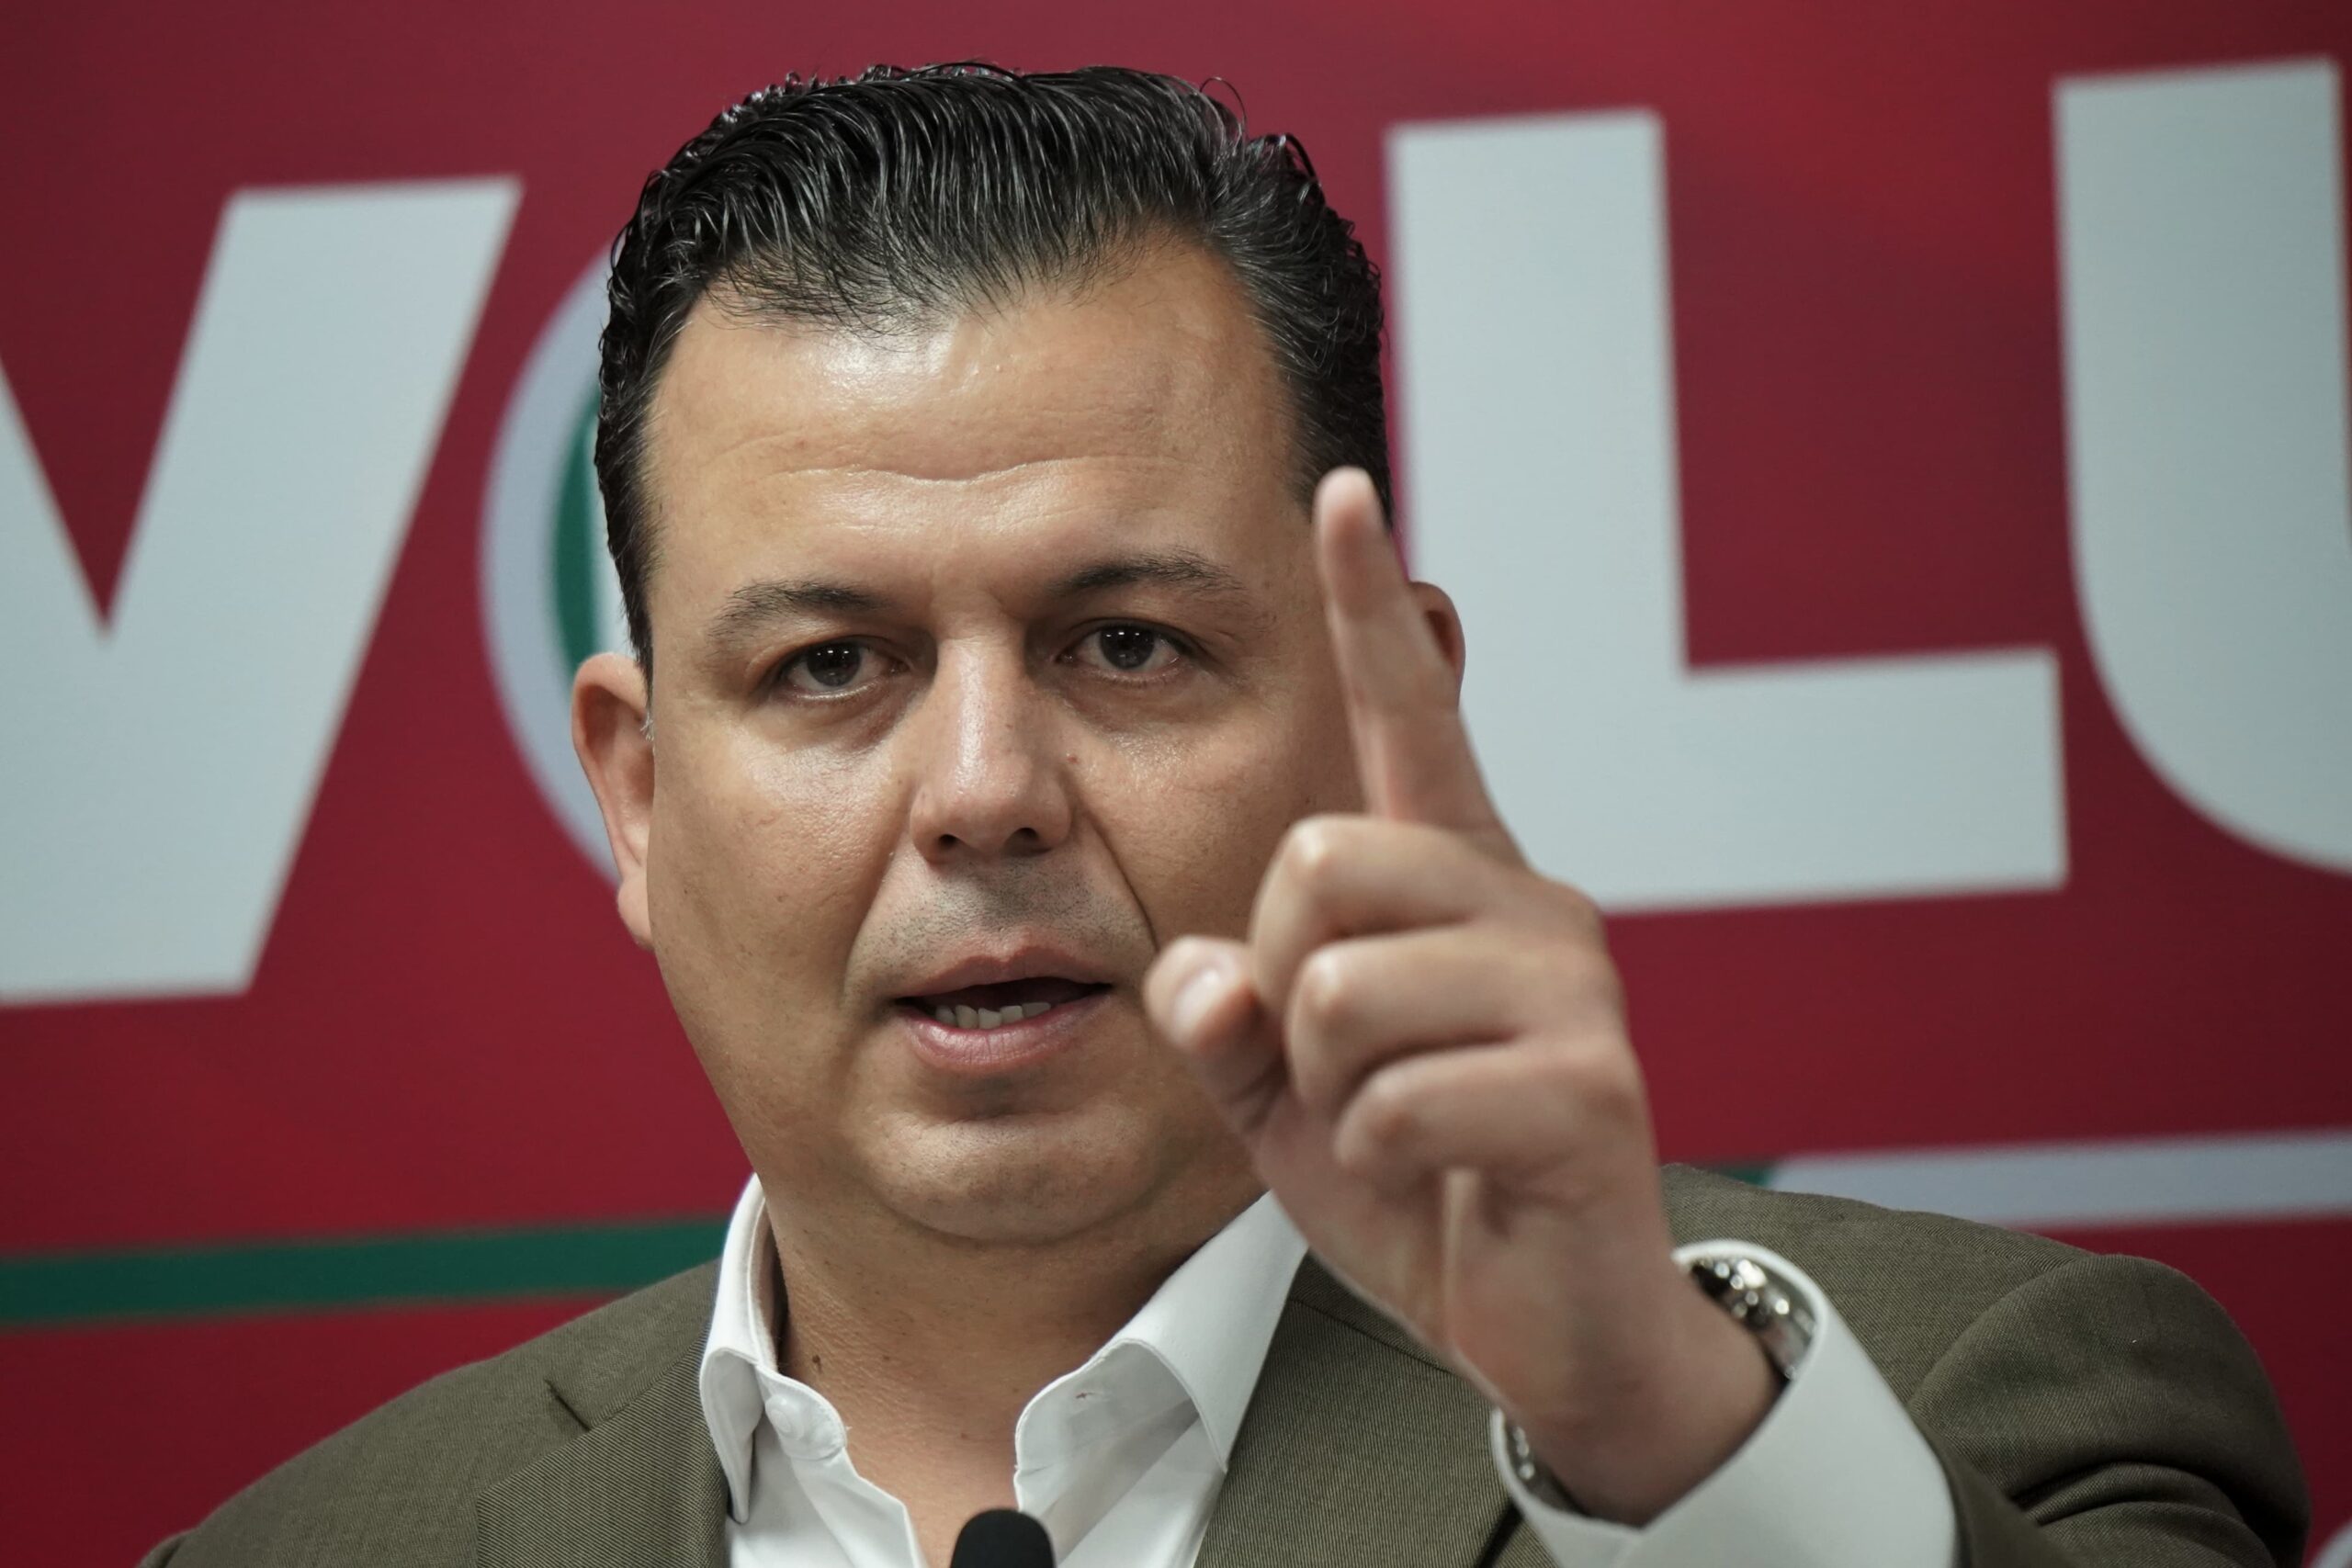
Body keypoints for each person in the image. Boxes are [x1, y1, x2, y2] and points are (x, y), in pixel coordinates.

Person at [144, 62, 2306, 1568]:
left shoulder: (1938, 1410)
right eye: (830, 666)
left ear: (1375, 713)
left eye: (1125, 643)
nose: (984, 791)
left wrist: (1653, 1427)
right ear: (636, 790)